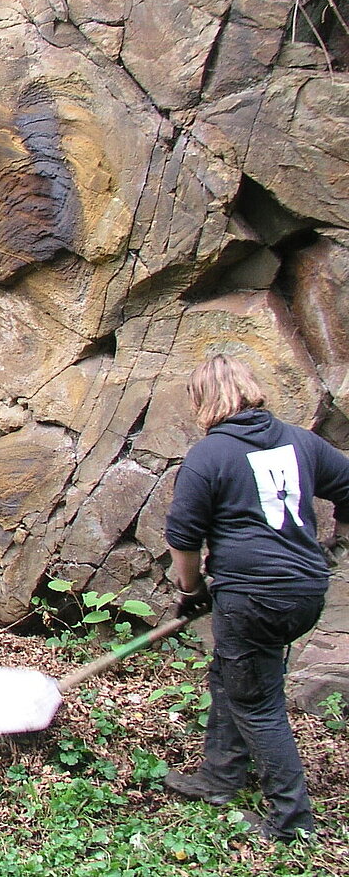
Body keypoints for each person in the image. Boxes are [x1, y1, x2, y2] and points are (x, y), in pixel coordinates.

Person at [162, 354, 349, 841]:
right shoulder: (298, 441)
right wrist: (336, 543)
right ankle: (218, 779)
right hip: (303, 591)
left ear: (203, 400)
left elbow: (183, 539)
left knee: (258, 702)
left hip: (254, 598)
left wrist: (190, 591)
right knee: (232, 673)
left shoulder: (210, 455)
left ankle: (291, 823)